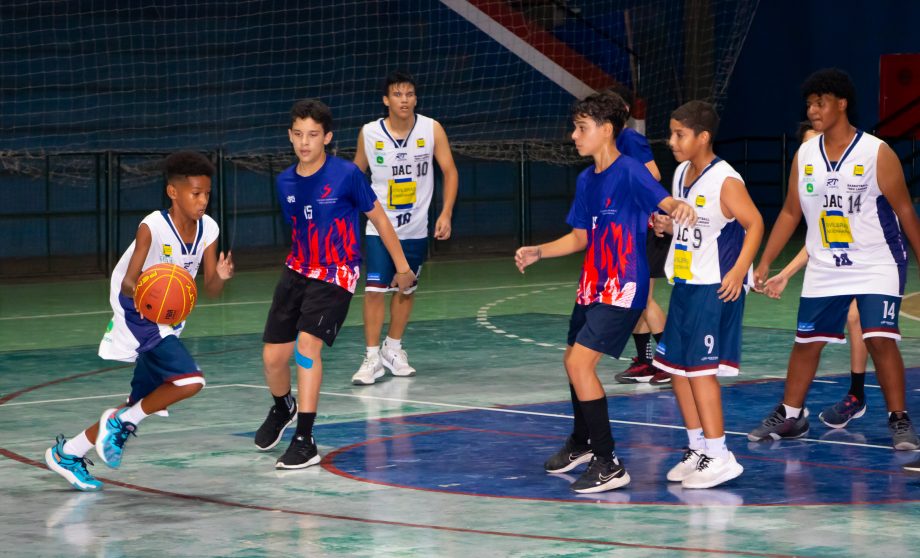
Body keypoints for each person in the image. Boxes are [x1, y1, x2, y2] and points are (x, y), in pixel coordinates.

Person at [514, 91, 696, 493]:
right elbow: (581, 236)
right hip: (591, 286)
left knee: (581, 365)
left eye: (582, 128)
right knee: (571, 361)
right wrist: (539, 251)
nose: (574, 135)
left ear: (607, 130)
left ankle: (609, 461)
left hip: (624, 286)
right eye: (575, 127)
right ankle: (582, 442)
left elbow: (663, 200)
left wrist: (677, 208)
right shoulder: (585, 179)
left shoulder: (630, 171)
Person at [747, 68, 920, 452]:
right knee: (806, 342)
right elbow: (791, 213)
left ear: (841, 104)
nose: (812, 110)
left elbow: (906, 212)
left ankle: (899, 419)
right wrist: (766, 261)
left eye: (820, 102)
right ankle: (790, 414)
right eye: (809, 103)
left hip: (877, 261)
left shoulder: (876, 152)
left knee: (878, 337)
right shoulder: (806, 154)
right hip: (827, 264)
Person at [44, 151, 235, 491]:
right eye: (195, 193)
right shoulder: (153, 226)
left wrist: (219, 275)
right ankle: (120, 422)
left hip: (169, 318)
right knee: (192, 381)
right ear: (173, 192)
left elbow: (212, 289)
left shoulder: (210, 229)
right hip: (137, 308)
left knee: (145, 401)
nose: (203, 200)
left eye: (207, 193)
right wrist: (155, 289)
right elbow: (131, 282)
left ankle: (67, 453)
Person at [253, 99, 416, 469]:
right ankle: (283, 407)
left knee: (306, 348)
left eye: (313, 135)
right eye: (298, 134)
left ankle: (305, 440)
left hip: (336, 273)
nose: (304, 142)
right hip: (297, 270)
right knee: (272, 358)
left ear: (326, 137)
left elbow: (381, 220)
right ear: (289, 136)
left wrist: (402, 267)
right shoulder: (284, 182)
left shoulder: (346, 175)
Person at [651, 101, 763, 489]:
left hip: (714, 287)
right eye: (671, 133)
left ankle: (720, 454)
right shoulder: (682, 173)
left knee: (700, 372)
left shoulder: (726, 181)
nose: (671, 141)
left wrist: (738, 271)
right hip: (684, 282)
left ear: (703, 137)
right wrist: (665, 223)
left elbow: (755, 223)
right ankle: (697, 447)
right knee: (677, 371)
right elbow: (691, 224)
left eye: (679, 134)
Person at [350, 71, 459, 385]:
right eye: (397, 94)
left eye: (409, 94)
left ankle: (393, 348)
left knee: (406, 288)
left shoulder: (431, 128)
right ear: (386, 100)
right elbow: (356, 175)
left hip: (416, 227)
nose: (404, 100)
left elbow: (449, 172)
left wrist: (446, 212)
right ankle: (371, 358)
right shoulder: (370, 133)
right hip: (380, 228)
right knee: (373, 291)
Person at [761, 121, 870, 429]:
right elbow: (819, 242)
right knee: (810, 336)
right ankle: (794, 408)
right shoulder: (816, 188)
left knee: (855, 317)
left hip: (872, 263)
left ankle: (857, 395)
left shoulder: (858, 176)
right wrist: (785, 274)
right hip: (834, 267)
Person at [605, 84, 673, 387]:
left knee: (642, 298)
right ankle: (646, 361)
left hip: (646, 227)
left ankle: (671, 359)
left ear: (624, 112)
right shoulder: (604, 145)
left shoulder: (630, 138)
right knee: (631, 299)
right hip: (624, 230)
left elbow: (653, 174)